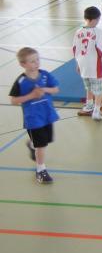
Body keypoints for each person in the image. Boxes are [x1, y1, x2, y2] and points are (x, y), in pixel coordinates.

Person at [9, 47, 60, 184]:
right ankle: (41, 170)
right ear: (23, 64)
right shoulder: (21, 81)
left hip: (47, 115)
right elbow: (13, 100)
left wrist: (44, 89)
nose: (36, 63)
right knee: (41, 146)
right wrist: (32, 95)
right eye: (32, 61)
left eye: (37, 59)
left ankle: (32, 145)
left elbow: (56, 89)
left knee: (46, 141)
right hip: (33, 119)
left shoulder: (45, 75)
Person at [72, 6, 102, 121]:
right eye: (98, 19)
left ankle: (89, 105)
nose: (98, 22)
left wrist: (78, 64)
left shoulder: (78, 32)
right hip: (95, 65)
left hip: (83, 64)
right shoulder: (98, 32)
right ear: (95, 19)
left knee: (88, 87)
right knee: (99, 90)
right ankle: (96, 111)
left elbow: (76, 50)